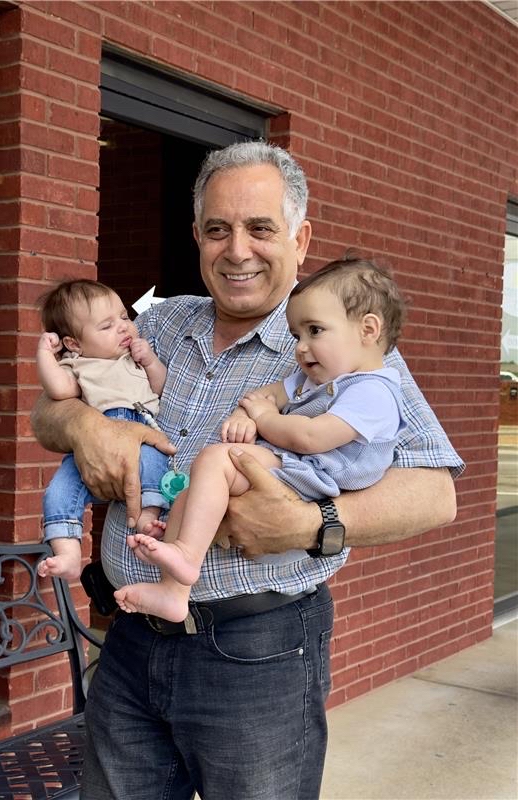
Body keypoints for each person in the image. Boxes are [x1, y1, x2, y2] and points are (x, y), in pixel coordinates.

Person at [31, 140, 464, 800]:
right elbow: (46, 413)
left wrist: (310, 523)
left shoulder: (345, 348)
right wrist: (86, 426)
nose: (237, 250)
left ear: (300, 236)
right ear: (197, 237)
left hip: (257, 654)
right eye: (217, 229)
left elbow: (435, 492)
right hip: (126, 642)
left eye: (260, 228)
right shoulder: (160, 321)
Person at [116, 257, 407, 623]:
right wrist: (245, 414)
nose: (301, 348)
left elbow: (310, 437)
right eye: (296, 335)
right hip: (300, 468)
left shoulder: (374, 391)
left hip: (318, 476)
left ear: (368, 330)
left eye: (315, 331)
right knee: (197, 488)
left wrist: (264, 419)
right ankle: (174, 590)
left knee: (215, 460)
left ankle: (186, 556)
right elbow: (266, 395)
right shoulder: (317, 377)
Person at [35, 279, 172, 581]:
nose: (124, 327)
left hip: (143, 428)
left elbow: (162, 388)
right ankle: (68, 552)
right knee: (58, 491)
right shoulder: (77, 365)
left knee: (155, 465)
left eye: (124, 317)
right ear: (74, 343)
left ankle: (148, 519)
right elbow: (58, 390)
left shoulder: (134, 359)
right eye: (106, 326)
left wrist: (149, 361)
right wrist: (46, 355)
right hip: (93, 444)